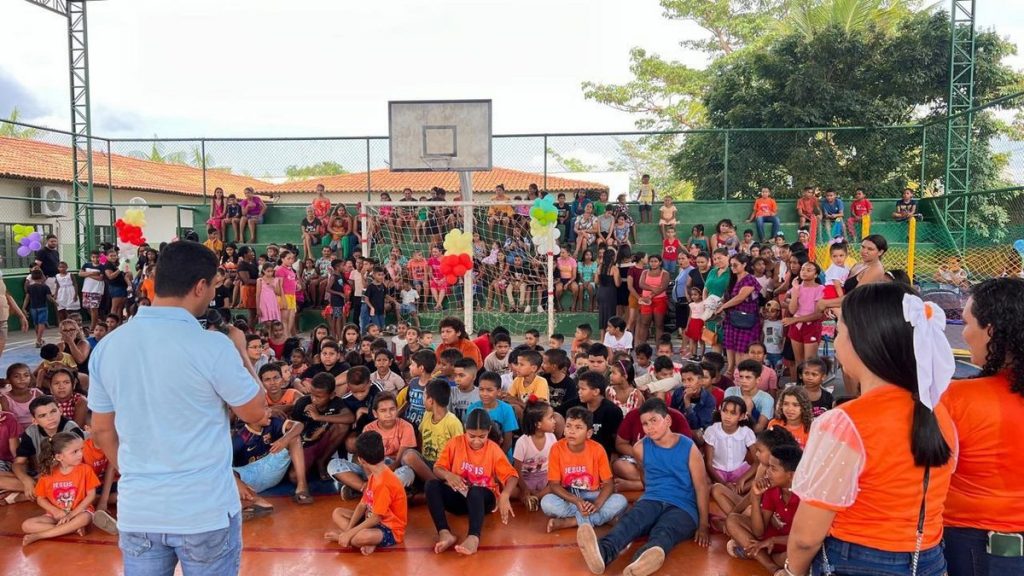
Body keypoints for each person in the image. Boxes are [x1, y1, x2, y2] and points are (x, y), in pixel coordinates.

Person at [87, 241, 267, 576]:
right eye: (213, 287)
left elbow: (101, 430)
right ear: (200, 286)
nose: (212, 295)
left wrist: (139, 475)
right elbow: (257, 412)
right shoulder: (212, 345)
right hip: (203, 511)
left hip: (140, 509)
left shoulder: (109, 346)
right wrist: (241, 351)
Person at [786, 283, 956, 576]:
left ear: (861, 342)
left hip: (856, 561)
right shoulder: (940, 413)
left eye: (840, 331)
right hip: (928, 559)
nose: (837, 341)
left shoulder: (844, 423)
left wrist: (792, 571)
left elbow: (806, 537)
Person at [941, 278, 1024, 575]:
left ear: (990, 330)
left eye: (966, 323)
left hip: (973, 542)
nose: (963, 333)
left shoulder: (957, 398)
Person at [576, 398, 710, 576]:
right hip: (652, 498)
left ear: (668, 420)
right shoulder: (640, 448)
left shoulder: (688, 446)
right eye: (645, 424)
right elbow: (644, 475)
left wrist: (703, 524)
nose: (649, 427)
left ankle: (641, 563)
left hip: (683, 507)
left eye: (654, 420)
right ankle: (601, 553)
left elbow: (701, 486)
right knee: (630, 522)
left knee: (665, 530)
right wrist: (647, 500)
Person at [426, 408, 519, 556]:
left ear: (489, 431)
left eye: (482, 436)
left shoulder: (493, 449)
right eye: (472, 436)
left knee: (475, 491)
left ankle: (473, 538)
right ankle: (444, 533)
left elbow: (512, 476)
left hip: (482, 501)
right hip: (460, 498)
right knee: (431, 485)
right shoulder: (455, 443)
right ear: (465, 429)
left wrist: (505, 495)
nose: (476, 441)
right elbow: (437, 468)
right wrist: (448, 475)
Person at [541, 405, 628, 532]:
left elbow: (608, 483)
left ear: (589, 433)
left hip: (593, 495)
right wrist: (576, 501)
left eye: (578, 427)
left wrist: (597, 504)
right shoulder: (556, 449)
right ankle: (600, 518)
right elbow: (554, 485)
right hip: (569, 497)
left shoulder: (598, 449)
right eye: (568, 426)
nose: (571, 431)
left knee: (621, 501)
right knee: (547, 503)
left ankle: (571, 521)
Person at [325, 431, 408, 555]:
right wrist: (348, 532)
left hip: (390, 529)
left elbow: (376, 518)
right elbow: (362, 505)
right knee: (337, 513)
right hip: (371, 519)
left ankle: (353, 539)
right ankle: (363, 541)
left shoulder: (384, 483)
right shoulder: (375, 475)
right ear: (384, 452)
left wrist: (345, 535)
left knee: (362, 537)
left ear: (361, 460)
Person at [724, 444, 804, 574]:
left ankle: (756, 555)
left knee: (796, 557)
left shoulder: (804, 496)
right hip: (769, 540)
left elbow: (803, 538)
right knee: (733, 520)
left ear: (791, 475)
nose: (767, 472)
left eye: (773, 468)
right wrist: (756, 498)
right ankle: (773, 568)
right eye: (768, 467)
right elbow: (759, 533)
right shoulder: (772, 489)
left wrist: (773, 540)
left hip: (791, 544)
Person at [21, 432, 100, 546]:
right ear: (59, 457)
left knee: (85, 518)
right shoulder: (47, 474)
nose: (80, 454)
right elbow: (40, 499)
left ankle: (40, 535)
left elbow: (91, 495)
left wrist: (72, 515)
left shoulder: (85, 469)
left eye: (81, 449)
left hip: (79, 513)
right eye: (75, 451)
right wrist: (55, 511)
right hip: (56, 515)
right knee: (27, 525)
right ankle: (72, 529)